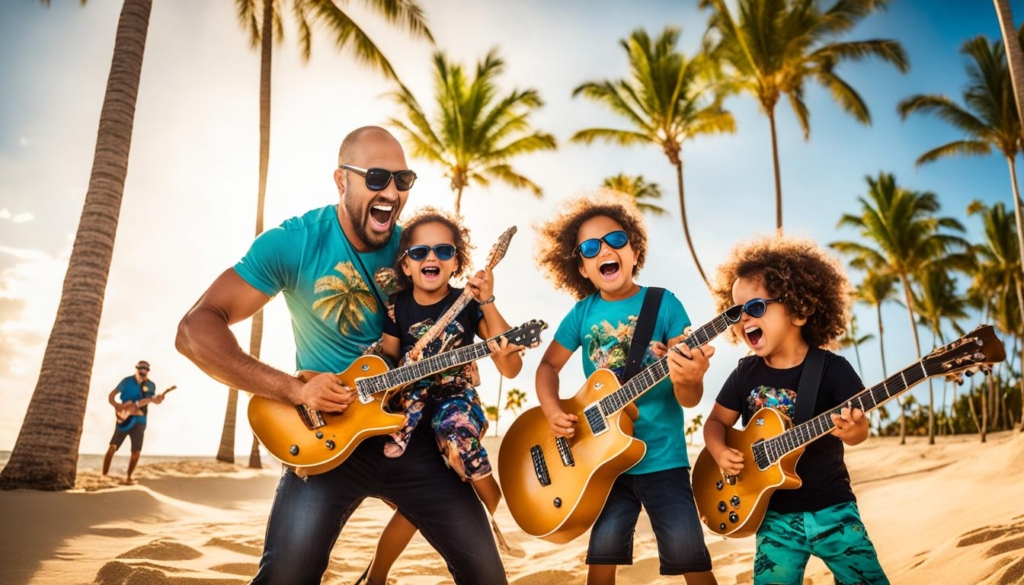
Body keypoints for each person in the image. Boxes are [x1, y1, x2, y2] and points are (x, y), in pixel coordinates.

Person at [175, 126, 507, 585]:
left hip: (412, 435)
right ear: (341, 180)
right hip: (328, 438)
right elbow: (194, 331)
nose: (391, 192)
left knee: (487, 576)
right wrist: (294, 389)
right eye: (375, 177)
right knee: (286, 576)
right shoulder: (294, 243)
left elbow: (465, 315)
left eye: (402, 180)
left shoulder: (416, 248)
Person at [533, 191, 717, 585]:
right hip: (601, 463)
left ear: (635, 252)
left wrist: (690, 376)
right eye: (590, 247)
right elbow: (548, 366)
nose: (605, 250)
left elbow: (689, 397)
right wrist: (552, 409)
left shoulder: (664, 304)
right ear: (581, 268)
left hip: (663, 460)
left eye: (615, 240)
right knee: (601, 561)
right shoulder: (581, 314)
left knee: (693, 561)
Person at [703, 234, 887, 585]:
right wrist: (720, 450)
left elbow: (859, 428)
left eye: (755, 307)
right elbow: (715, 422)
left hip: (833, 509)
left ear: (799, 311)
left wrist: (854, 430)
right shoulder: (745, 373)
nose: (744, 319)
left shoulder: (833, 369)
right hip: (773, 517)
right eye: (735, 312)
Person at [359, 206, 529, 584]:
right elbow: (386, 358)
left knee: (456, 434)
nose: (431, 258)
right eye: (419, 253)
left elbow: (511, 367)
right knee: (408, 498)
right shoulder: (397, 306)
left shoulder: (468, 307)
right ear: (406, 265)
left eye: (443, 251)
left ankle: (494, 503)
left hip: (454, 399)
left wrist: (487, 301)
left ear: (456, 263)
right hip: (409, 405)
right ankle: (376, 577)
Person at [103, 359, 162, 484]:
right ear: (137, 368)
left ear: (148, 371)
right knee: (113, 446)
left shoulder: (150, 385)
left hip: (140, 420)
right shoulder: (127, 381)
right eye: (141, 368)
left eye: (145, 369)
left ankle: (128, 477)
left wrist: (157, 400)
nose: (143, 371)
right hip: (124, 418)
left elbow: (152, 400)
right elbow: (111, 395)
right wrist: (117, 406)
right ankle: (104, 475)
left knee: (136, 451)